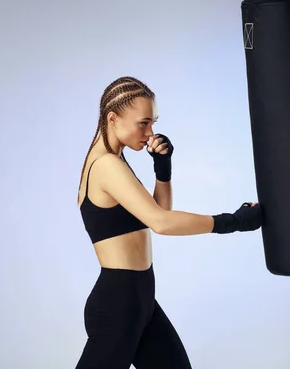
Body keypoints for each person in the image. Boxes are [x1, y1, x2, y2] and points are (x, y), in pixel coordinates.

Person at [75, 76, 264, 368]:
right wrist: (234, 221)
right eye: (143, 123)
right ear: (113, 118)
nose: (151, 132)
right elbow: (162, 222)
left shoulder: (115, 160)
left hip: (141, 301)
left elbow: (157, 212)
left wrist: (162, 170)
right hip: (118, 305)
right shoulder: (106, 166)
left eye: (153, 123)